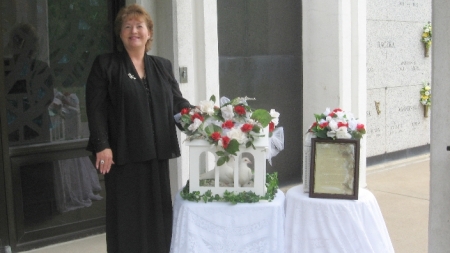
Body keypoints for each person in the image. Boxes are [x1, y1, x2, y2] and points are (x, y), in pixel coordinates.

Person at [85, 4, 192, 253]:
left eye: (139, 26)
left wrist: (200, 119)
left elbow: (178, 103)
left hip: (156, 155)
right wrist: (102, 145)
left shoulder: (162, 66)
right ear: (120, 33)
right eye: (127, 26)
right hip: (122, 156)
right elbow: (95, 109)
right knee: (126, 218)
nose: (134, 30)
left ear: (148, 33)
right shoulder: (105, 65)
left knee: (157, 215)